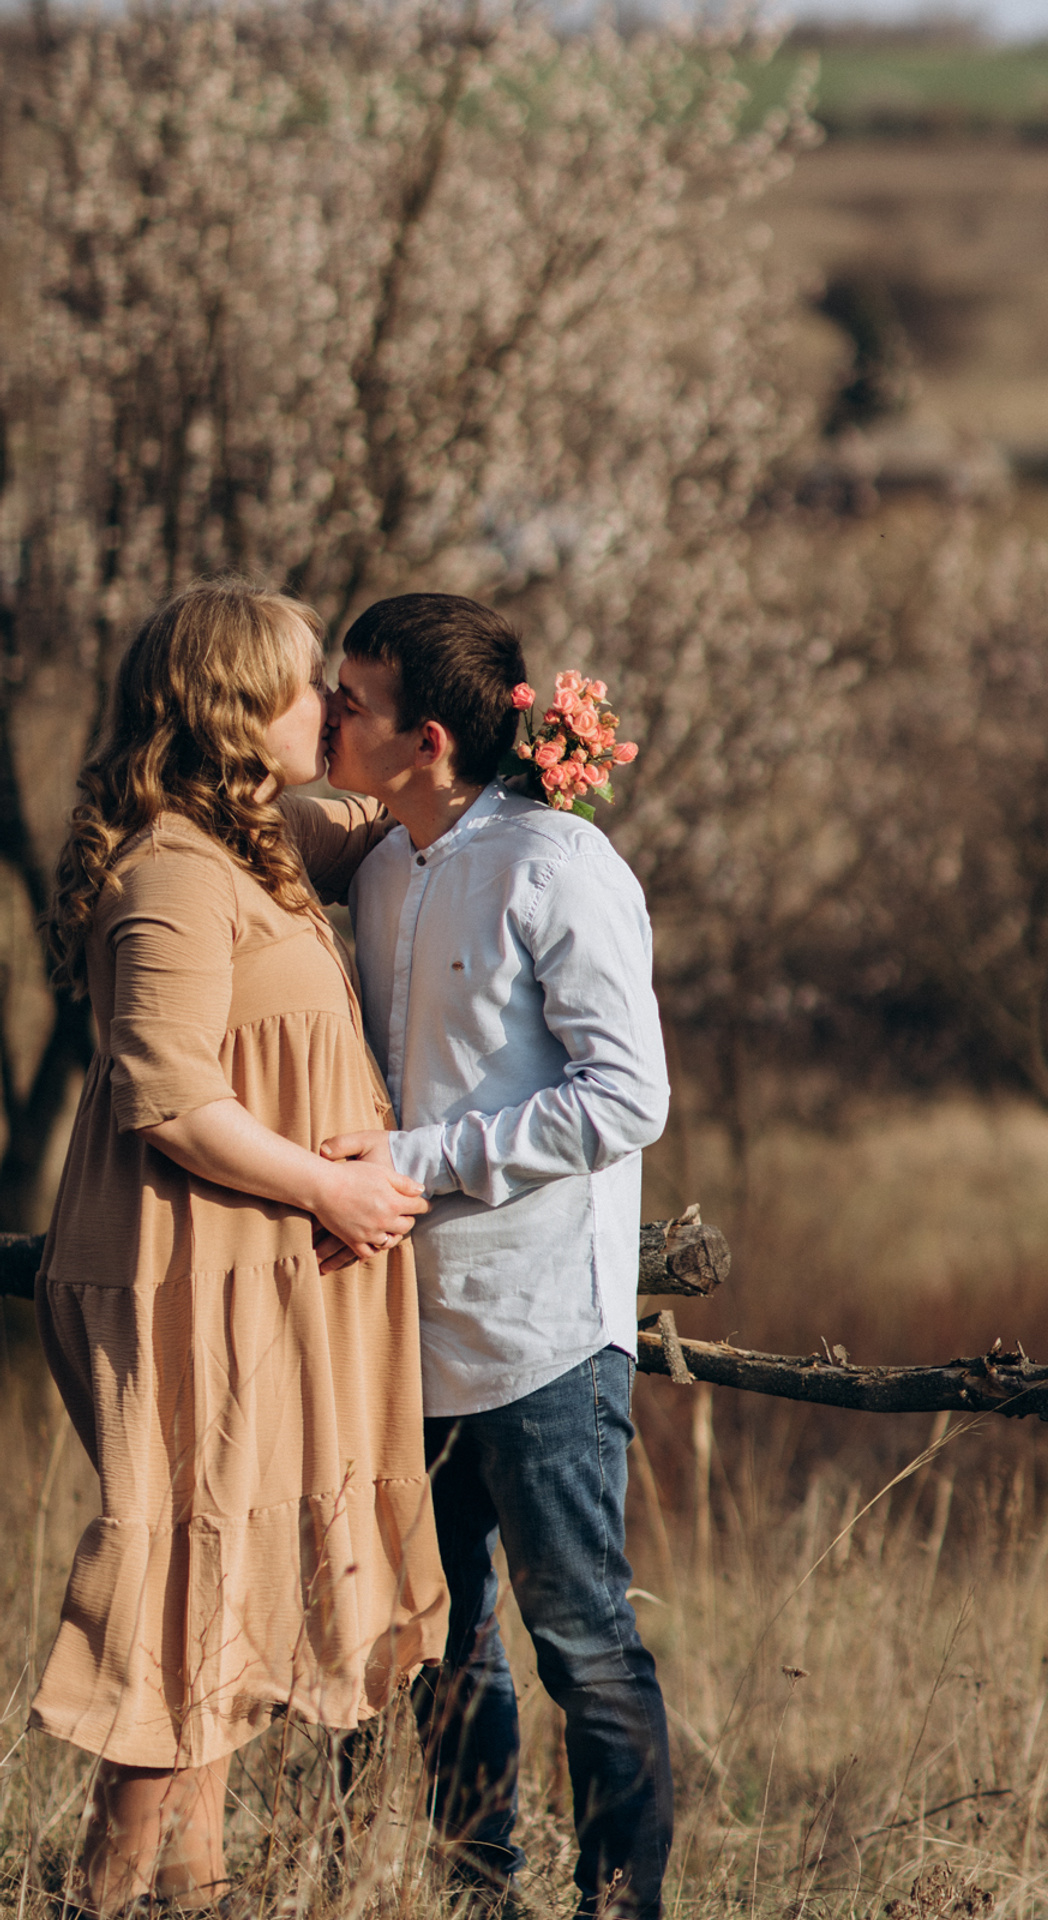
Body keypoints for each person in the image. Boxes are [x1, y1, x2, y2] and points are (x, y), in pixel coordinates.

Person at [31, 580, 448, 1913]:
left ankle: (191, 1888)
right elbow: (168, 1097)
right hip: (183, 1268)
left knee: (232, 1584)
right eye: (304, 683)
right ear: (230, 705)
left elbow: (409, 810)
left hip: (245, 1268)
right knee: (188, 1582)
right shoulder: (171, 871)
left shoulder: (260, 842)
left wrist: (518, 750)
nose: (328, 704)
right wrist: (329, 1193)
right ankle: (109, 1892)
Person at [317, 593, 673, 1920]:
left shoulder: (558, 865)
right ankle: (480, 1899)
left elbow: (627, 1097)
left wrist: (417, 1160)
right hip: (403, 1332)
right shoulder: (379, 868)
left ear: (427, 738)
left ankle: (620, 1906)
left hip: (540, 1333)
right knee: (446, 1648)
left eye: (350, 700)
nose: (327, 714)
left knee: (584, 1646)